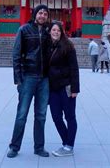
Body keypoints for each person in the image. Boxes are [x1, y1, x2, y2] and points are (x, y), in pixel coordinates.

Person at [7, 4, 51, 159]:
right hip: (28, 77)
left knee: (41, 115)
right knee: (22, 114)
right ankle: (14, 146)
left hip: (44, 79)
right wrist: (18, 80)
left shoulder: (48, 32)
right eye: (40, 13)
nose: (42, 16)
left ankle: (39, 147)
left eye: (45, 14)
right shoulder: (24, 30)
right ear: (35, 14)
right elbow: (16, 55)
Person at [48, 21, 80, 157]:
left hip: (66, 87)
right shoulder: (46, 46)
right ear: (49, 31)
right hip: (52, 88)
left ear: (62, 32)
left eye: (58, 30)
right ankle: (67, 142)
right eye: (53, 30)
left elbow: (74, 68)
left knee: (70, 117)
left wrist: (75, 89)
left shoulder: (68, 46)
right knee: (56, 117)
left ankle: (69, 146)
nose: (56, 32)